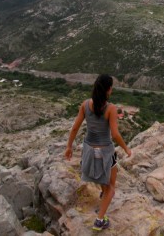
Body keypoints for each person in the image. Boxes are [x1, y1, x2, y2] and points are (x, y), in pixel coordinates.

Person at [64, 74, 132, 231]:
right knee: (111, 186)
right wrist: (126, 148)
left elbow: (75, 127)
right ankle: (100, 220)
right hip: (105, 152)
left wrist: (69, 147)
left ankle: (103, 199)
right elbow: (115, 135)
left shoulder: (85, 104)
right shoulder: (111, 108)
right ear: (109, 90)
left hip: (88, 149)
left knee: (103, 181)